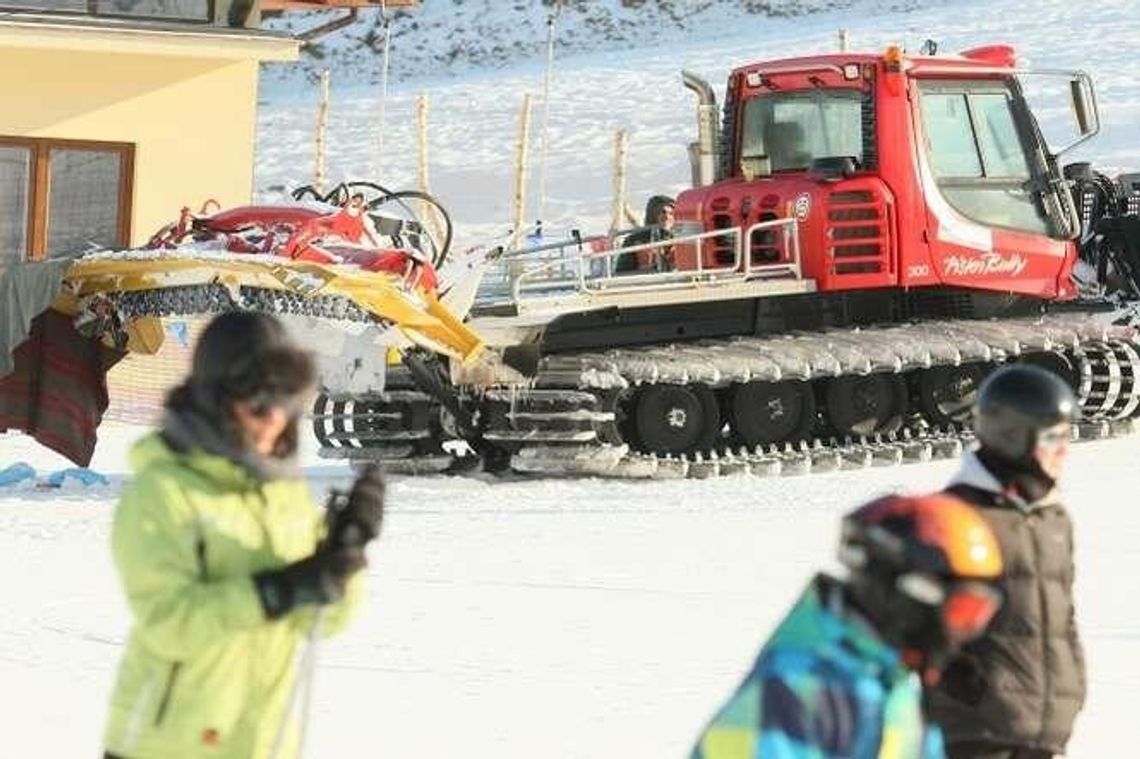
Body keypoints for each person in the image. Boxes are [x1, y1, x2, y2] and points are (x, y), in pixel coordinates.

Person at [101, 311, 385, 759]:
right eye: (258, 404)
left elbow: (322, 620)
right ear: (217, 401)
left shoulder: (281, 495)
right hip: (167, 744)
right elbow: (170, 624)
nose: (274, 419)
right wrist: (277, 593)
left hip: (261, 743)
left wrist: (345, 555)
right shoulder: (163, 493)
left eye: (286, 402)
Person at [691, 492, 1005, 759]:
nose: (965, 633)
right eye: (963, 611)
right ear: (904, 595)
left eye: (980, 614)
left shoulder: (894, 686)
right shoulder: (794, 690)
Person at [929, 364, 1086, 759]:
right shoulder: (957, 516)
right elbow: (918, 626)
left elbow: (1061, 617)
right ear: (1015, 436)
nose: (1064, 449)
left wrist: (1073, 683)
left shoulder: (1053, 520)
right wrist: (968, 689)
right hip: (978, 736)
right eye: (1053, 438)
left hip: (1046, 733)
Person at [616, 194, 676, 273]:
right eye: (662, 212)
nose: (667, 217)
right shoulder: (634, 241)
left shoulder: (681, 240)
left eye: (671, 213)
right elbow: (622, 273)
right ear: (652, 215)